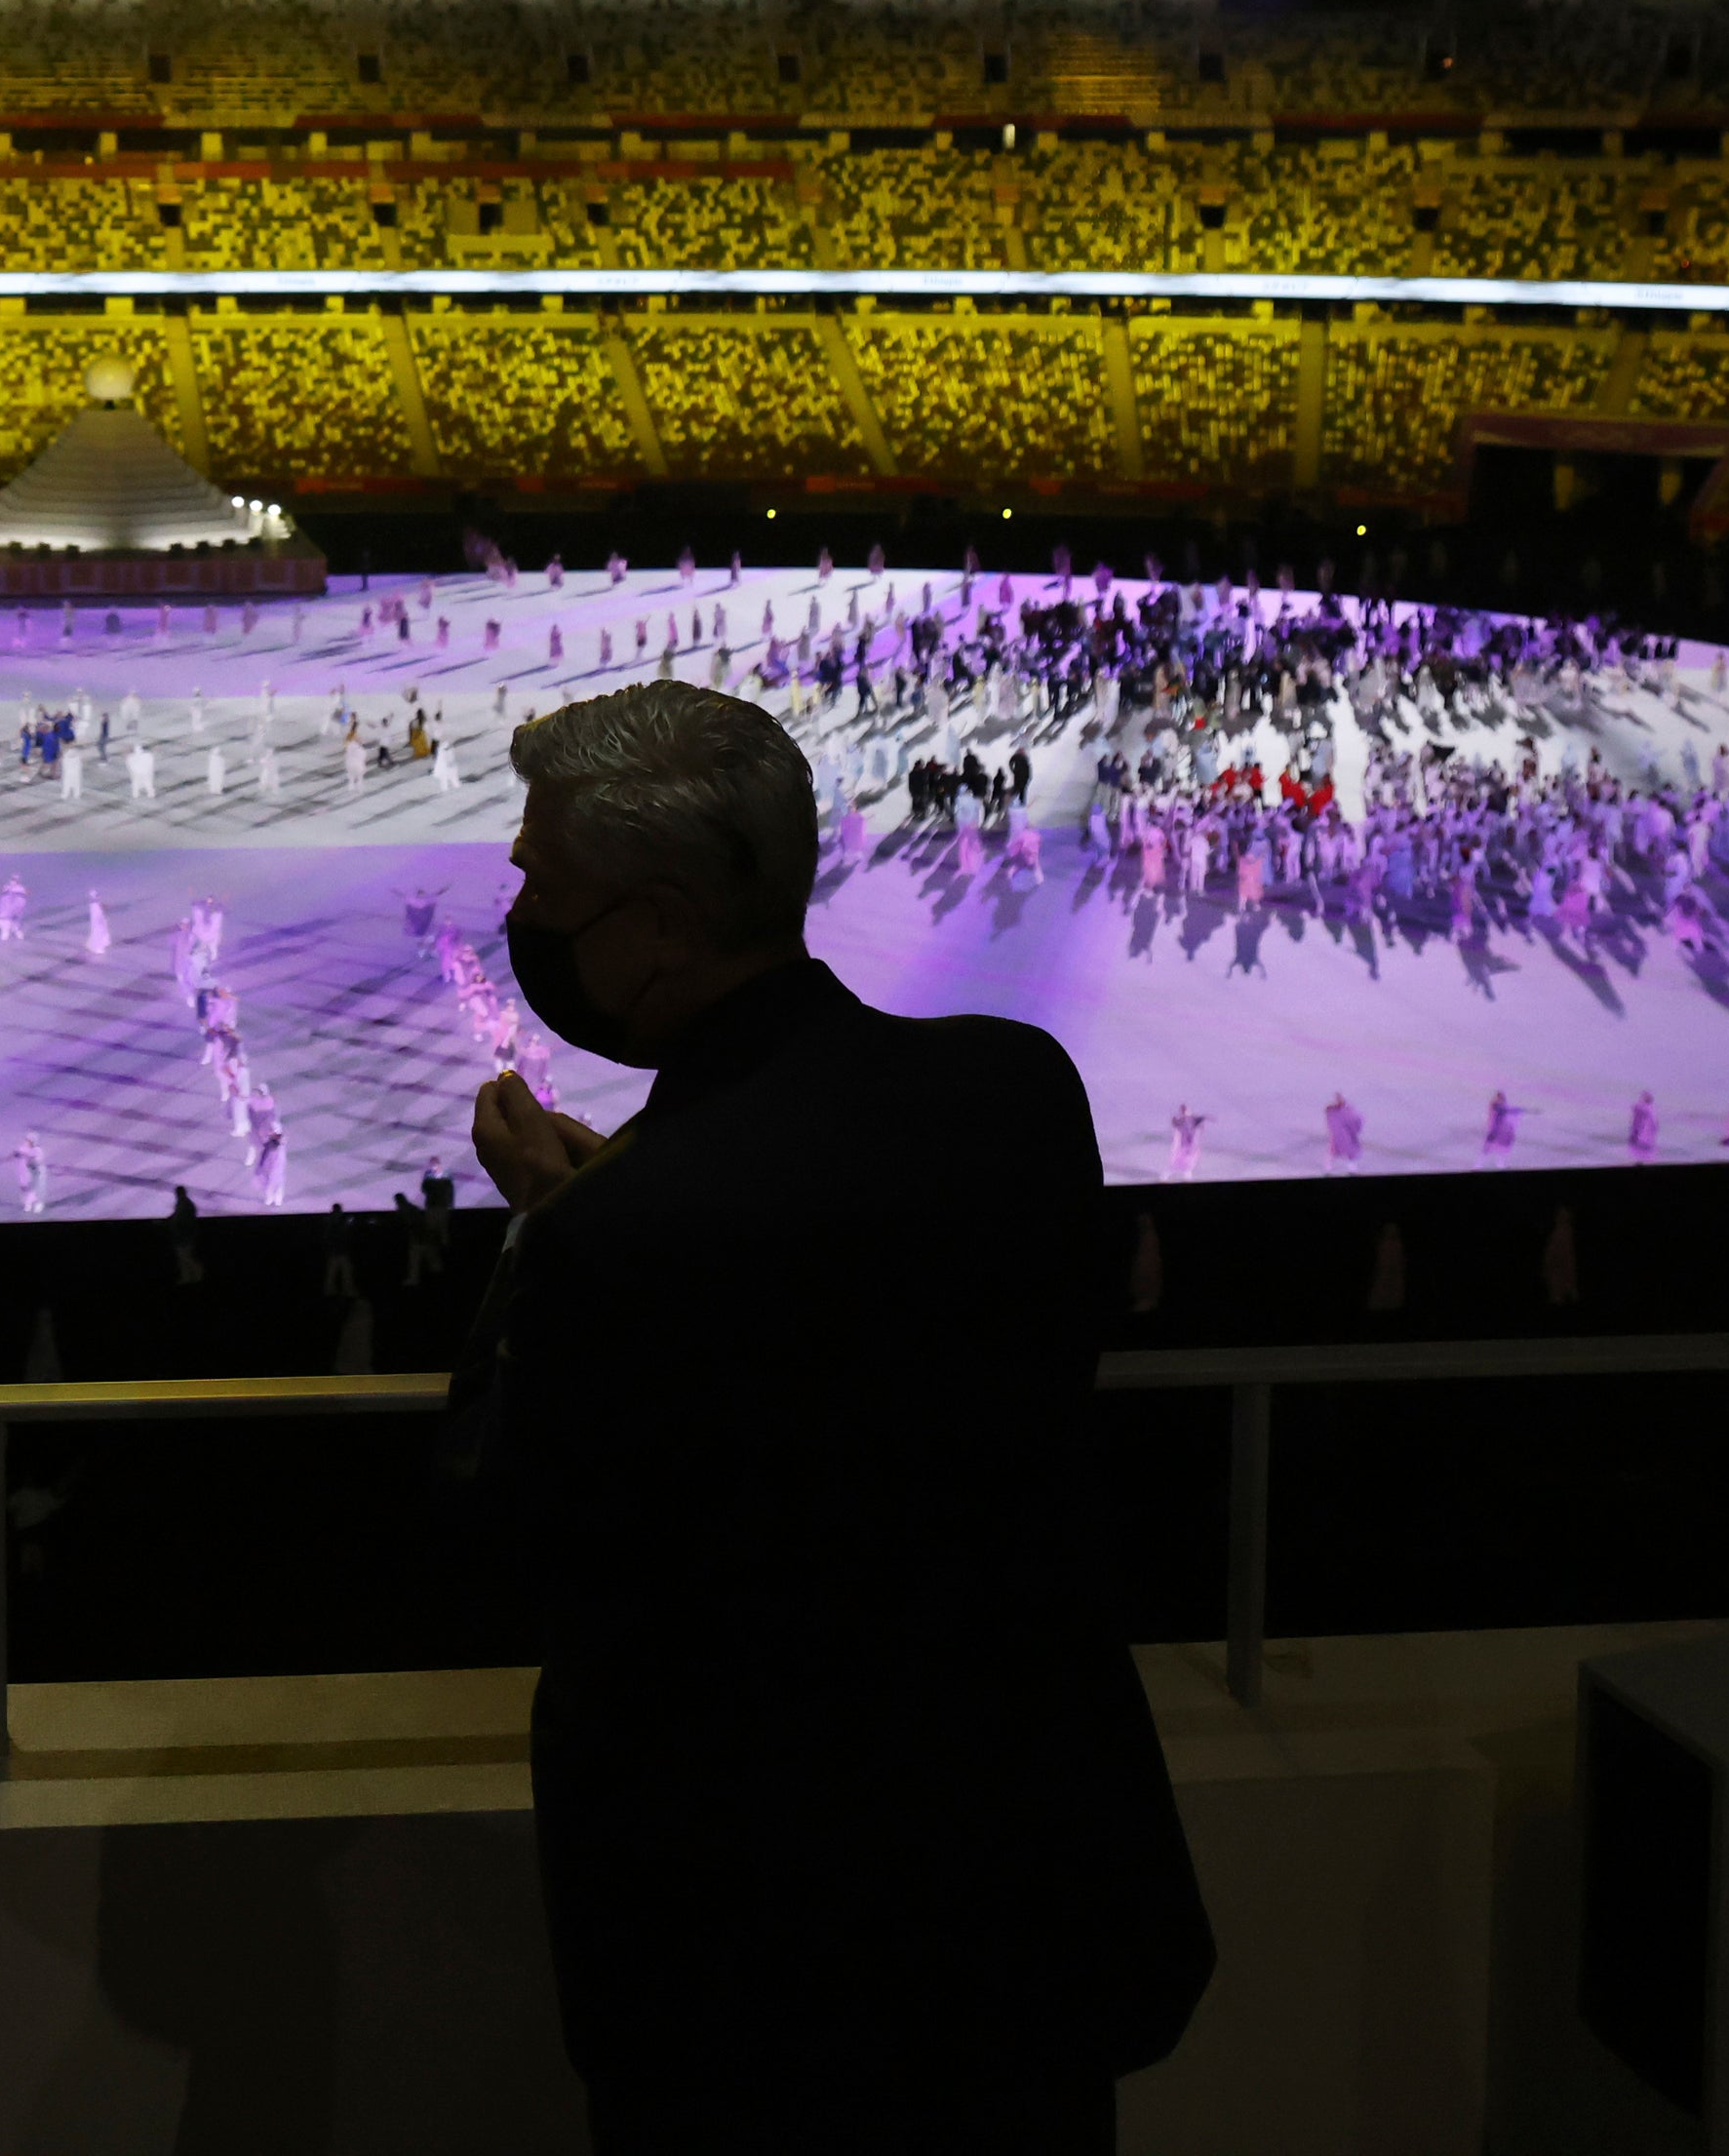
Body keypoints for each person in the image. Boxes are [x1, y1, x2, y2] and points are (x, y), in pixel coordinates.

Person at [458, 680, 1209, 2148]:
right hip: (1029, 1927)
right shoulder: (1018, 1092)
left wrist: (547, 1238)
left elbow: (500, 1545)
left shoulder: (625, 1243)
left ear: (658, 925)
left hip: (754, 1983)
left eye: (540, 878)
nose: (521, 902)